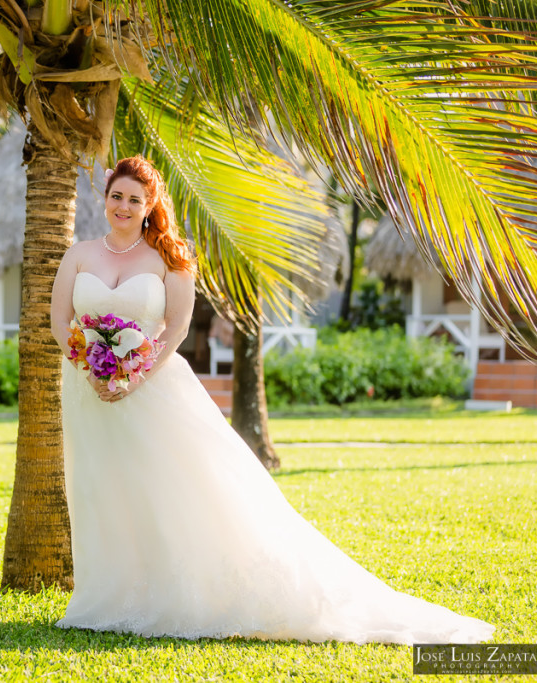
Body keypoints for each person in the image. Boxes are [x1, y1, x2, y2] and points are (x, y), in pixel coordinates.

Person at [48, 155, 494, 644]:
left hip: (152, 390)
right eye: (117, 196)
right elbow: (58, 321)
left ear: (151, 204)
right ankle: (107, 595)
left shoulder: (169, 258)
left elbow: (174, 331)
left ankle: (173, 593)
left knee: (170, 489)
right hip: (87, 390)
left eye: (135, 199)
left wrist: (133, 377)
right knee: (101, 489)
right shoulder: (79, 255)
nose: (124, 206)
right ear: (105, 197)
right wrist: (90, 370)